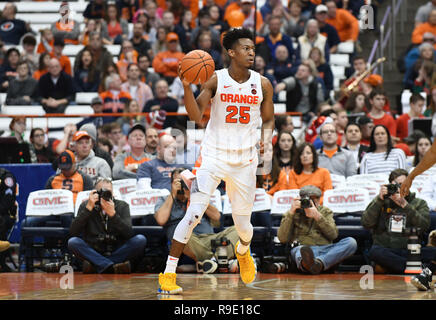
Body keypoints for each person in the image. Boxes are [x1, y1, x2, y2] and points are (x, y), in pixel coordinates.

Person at [157, 28, 275, 294]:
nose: (251, 53)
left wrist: (266, 137)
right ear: (231, 52)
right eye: (245, 48)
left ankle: (242, 252)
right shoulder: (215, 79)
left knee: (245, 227)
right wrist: (186, 86)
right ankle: (168, 273)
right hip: (213, 157)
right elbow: (196, 115)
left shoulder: (263, 83)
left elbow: (268, 117)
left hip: (245, 161)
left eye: (253, 49)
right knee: (194, 213)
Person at [155, 169, 239, 273]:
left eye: (185, 181)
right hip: (187, 242)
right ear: (172, 183)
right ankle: (221, 262)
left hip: (209, 239)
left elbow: (217, 217)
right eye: (179, 181)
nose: (183, 185)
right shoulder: (165, 199)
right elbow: (161, 220)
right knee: (183, 234)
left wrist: (195, 197)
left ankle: (212, 262)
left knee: (238, 230)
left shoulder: (199, 196)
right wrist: (172, 194)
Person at [362, 169, 436, 278]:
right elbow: (366, 223)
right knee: (374, 251)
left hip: (411, 250)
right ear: (389, 186)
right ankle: (420, 270)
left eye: (403, 184)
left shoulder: (419, 203)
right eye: (396, 185)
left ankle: (405, 267)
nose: (400, 188)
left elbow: (423, 225)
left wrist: (406, 206)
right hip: (387, 250)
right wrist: (379, 200)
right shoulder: (381, 202)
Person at [68, 177, 147, 274]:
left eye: (108, 192)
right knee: (73, 242)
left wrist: (113, 215)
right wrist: (88, 209)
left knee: (140, 240)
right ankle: (112, 266)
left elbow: (129, 234)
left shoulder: (122, 205)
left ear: (113, 193)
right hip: (94, 250)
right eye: (102, 192)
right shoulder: (86, 205)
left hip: (117, 249)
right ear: (95, 193)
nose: (105, 195)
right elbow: (73, 232)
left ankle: (98, 265)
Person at [278, 185, 357, 274]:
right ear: (300, 199)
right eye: (308, 199)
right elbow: (283, 238)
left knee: (351, 243)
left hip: (325, 249)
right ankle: (311, 264)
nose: (310, 202)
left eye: (314, 199)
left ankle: (318, 264)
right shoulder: (293, 212)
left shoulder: (325, 211)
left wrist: (318, 216)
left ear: (319, 200)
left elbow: (333, 235)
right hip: (304, 248)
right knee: (300, 251)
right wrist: (291, 213)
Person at [264, 131, 297, 195]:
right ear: (278, 142)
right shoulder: (272, 159)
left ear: (293, 142)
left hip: (294, 191)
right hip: (277, 193)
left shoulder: (298, 159)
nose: (286, 143)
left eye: (289, 140)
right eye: (283, 140)